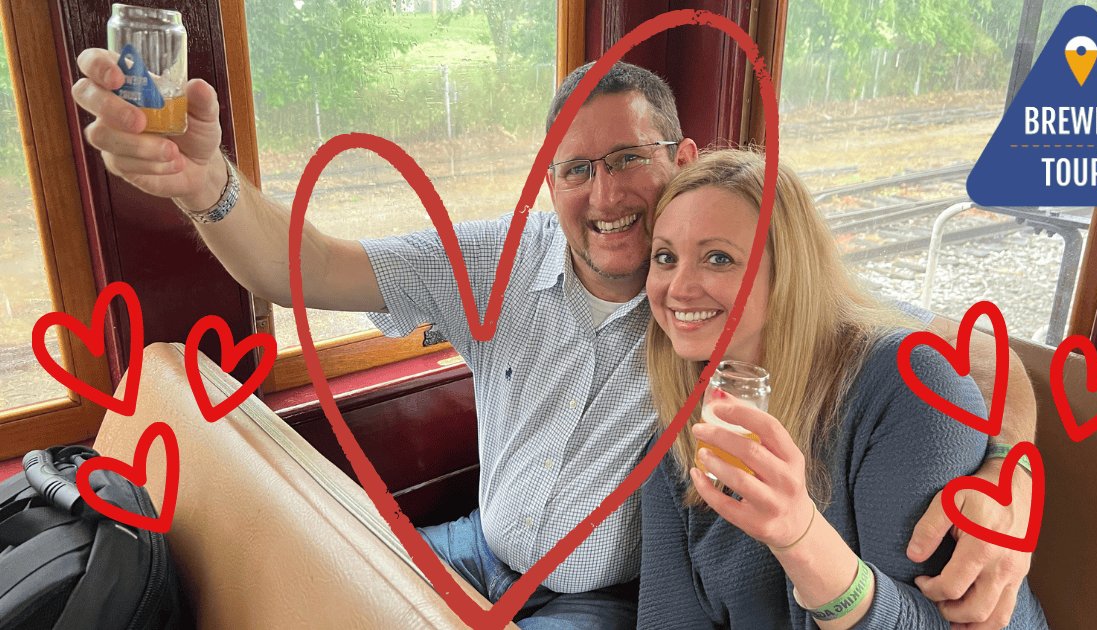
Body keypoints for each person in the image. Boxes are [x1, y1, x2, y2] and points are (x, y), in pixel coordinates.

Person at [70, 51, 1038, 629]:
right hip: (478, 546)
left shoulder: (748, 310)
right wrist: (207, 187)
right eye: (575, 169)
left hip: (596, 602)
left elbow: (962, 362)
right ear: (546, 184)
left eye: (627, 159)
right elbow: (306, 268)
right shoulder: (511, 267)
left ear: (681, 157)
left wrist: (1011, 460)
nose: (604, 195)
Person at [638, 149, 1047, 629]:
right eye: (665, 257)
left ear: (789, 271)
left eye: (718, 258)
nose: (678, 287)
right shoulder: (678, 435)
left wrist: (800, 538)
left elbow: (953, 620)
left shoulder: (912, 386)